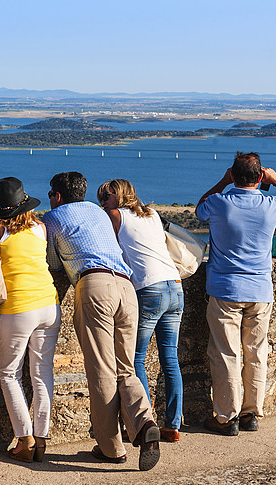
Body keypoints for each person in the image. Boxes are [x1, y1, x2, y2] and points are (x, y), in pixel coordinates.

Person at [42, 172, 161, 471]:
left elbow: (54, 264)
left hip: (94, 286)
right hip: (126, 287)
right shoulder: (99, 212)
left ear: (56, 196)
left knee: (102, 372)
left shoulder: (53, 216)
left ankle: (112, 448)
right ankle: (144, 422)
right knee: (126, 368)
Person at [196, 152, 276, 435]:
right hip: (260, 291)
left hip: (225, 290)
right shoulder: (271, 205)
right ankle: (250, 414)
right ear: (260, 177)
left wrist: (223, 181)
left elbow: (199, 208)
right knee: (256, 354)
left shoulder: (219, 203)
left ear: (233, 175)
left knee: (226, 354)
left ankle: (226, 417)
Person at [0, 177, 61, 462]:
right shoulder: (41, 227)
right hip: (49, 303)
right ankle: (43, 438)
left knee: (10, 373)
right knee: (42, 372)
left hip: (18, 308)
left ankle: (25, 440)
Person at [97, 179, 184, 443]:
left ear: (119, 195)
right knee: (170, 359)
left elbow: (109, 249)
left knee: (135, 359)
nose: (102, 202)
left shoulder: (114, 216)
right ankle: (173, 424)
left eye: (106, 196)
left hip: (149, 288)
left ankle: (145, 423)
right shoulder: (152, 214)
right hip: (175, 287)